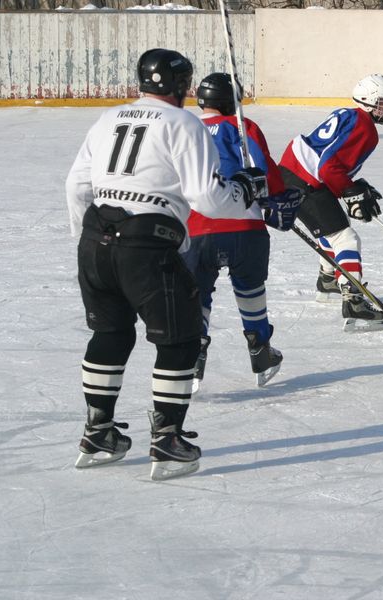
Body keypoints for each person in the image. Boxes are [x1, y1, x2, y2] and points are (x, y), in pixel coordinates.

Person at [65, 49, 268, 481]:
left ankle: (98, 433)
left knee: (110, 333)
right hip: (147, 243)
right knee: (181, 339)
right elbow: (206, 197)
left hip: (95, 239)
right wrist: (244, 190)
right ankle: (168, 441)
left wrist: (86, 242)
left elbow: (76, 185)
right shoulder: (183, 123)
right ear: (179, 85)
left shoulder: (107, 119)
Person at [185, 72, 301, 389]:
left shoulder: (186, 129)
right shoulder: (242, 126)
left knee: (197, 295)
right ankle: (260, 349)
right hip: (244, 228)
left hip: (195, 230)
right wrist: (279, 199)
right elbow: (265, 173)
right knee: (250, 290)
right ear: (230, 100)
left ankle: (192, 353)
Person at [278, 74, 383, 332]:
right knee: (346, 239)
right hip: (305, 180)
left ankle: (328, 279)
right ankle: (354, 301)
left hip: (289, 172)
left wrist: (353, 186)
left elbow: (325, 157)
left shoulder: (348, 113)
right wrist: (349, 190)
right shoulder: (366, 127)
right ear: (368, 101)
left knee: (330, 227)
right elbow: (328, 166)